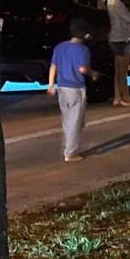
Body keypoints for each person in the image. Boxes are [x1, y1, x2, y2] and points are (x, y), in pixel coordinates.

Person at [47, 19, 98, 162]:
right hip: (76, 88)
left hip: (62, 87)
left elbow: (53, 67)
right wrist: (93, 73)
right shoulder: (83, 50)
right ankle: (71, 152)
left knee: (67, 118)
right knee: (76, 121)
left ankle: (67, 145)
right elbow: (82, 69)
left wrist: (51, 85)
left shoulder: (60, 47)